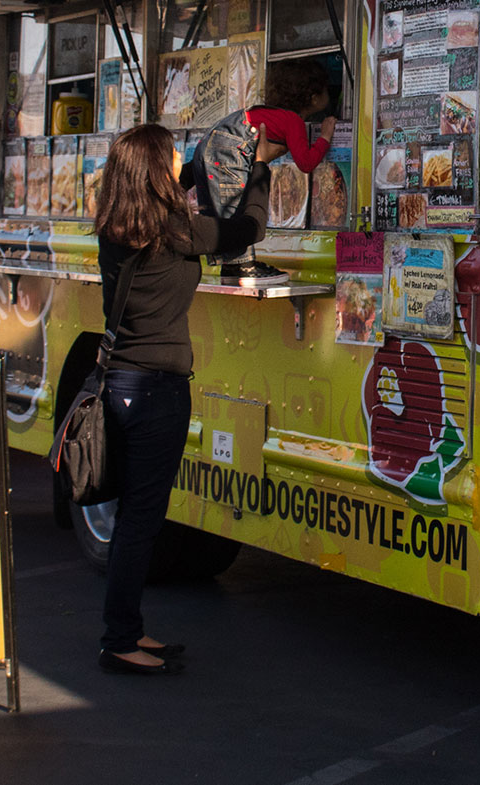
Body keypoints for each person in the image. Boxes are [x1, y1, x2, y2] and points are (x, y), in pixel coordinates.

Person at [92, 122, 269, 675]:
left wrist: (204, 161)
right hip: (156, 392)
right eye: (171, 159)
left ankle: (127, 630)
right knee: (143, 521)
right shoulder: (175, 230)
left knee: (132, 520)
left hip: (120, 384)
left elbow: (181, 183)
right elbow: (248, 228)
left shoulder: (119, 225)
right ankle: (120, 640)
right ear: (154, 172)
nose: (178, 168)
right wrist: (259, 165)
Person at [193, 58, 336, 286]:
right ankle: (244, 267)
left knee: (225, 207)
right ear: (314, 97)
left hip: (213, 141)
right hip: (230, 146)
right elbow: (306, 163)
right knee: (236, 205)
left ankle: (232, 266)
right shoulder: (293, 121)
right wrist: (325, 137)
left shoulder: (274, 114)